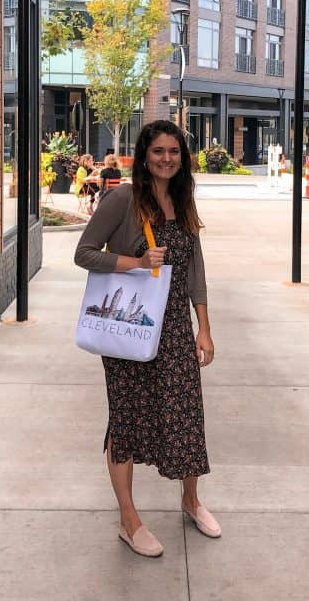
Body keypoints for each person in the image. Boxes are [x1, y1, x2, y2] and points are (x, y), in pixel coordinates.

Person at [74, 119, 219, 558]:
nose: (167, 159)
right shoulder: (123, 199)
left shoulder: (182, 198)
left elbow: (194, 267)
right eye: (158, 151)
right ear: (144, 154)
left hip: (174, 325)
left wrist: (204, 326)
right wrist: (134, 262)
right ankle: (128, 519)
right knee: (127, 418)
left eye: (174, 151)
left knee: (186, 412)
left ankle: (191, 501)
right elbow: (84, 253)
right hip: (130, 326)